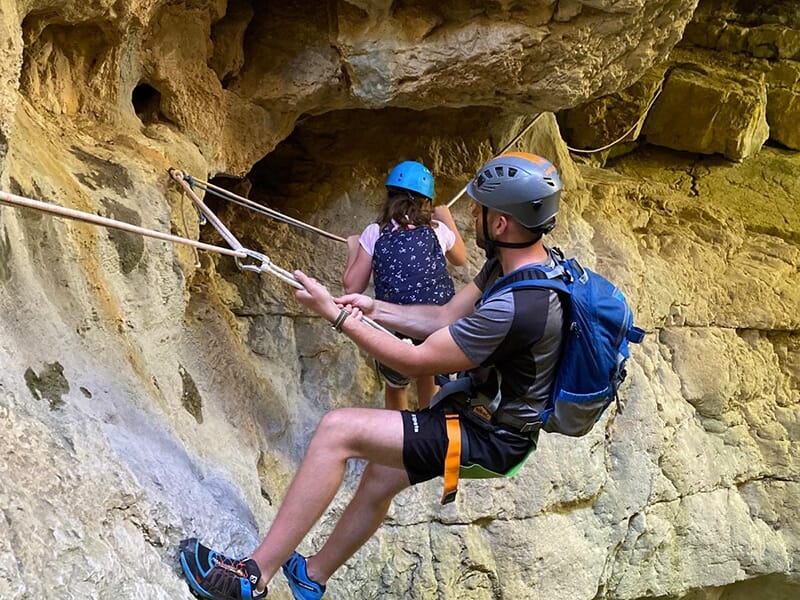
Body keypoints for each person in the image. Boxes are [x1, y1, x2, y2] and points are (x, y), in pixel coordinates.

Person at [179, 152, 565, 600]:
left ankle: (250, 578)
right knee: (381, 475)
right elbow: (441, 315)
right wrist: (375, 308)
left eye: (478, 209)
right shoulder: (512, 267)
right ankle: (312, 576)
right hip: (485, 417)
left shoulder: (517, 306)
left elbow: (413, 361)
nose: (470, 214)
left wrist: (334, 315)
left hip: (487, 435)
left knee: (337, 430)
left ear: (500, 224)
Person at [342, 160, 466, 410]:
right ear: (425, 201)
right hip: (435, 326)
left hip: (393, 328)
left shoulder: (375, 233)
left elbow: (351, 286)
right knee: (429, 375)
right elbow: (460, 258)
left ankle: (398, 443)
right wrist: (446, 216)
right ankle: (430, 437)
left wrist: (354, 248)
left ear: (389, 196)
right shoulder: (436, 229)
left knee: (396, 385)